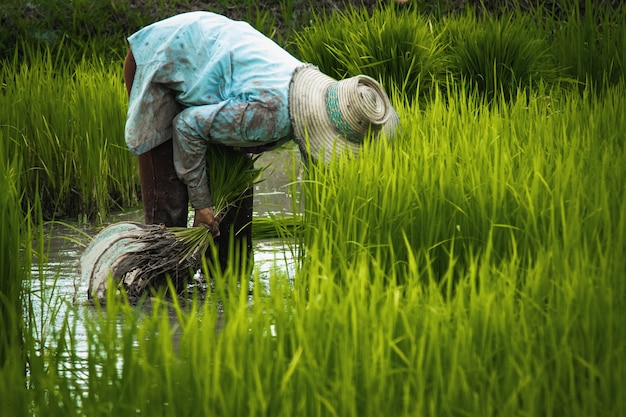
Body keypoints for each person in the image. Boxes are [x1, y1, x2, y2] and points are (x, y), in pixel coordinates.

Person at [123, 11, 399, 242]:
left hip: (212, 63)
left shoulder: (321, 97)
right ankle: (158, 295)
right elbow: (187, 126)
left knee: (233, 198)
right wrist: (202, 204)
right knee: (170, 207)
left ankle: (223, 287)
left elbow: (320, 180)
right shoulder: (271, 114)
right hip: (163, 59)